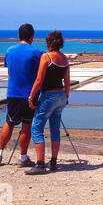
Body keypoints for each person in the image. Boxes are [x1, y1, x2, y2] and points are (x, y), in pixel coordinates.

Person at [0, 24, 43, 167]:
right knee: (26, 125)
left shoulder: (9, 51)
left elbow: (10, 73)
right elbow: (40, 75)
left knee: (9, 123)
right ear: (32, 36)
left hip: (12, 93)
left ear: (19, 35)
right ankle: (23, 157)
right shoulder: (37, 53)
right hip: (30, 95)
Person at [25, 31, 70, 175]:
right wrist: (66, 97)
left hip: (48, 96)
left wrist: (31, 97)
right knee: (55, 129)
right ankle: (54, 162)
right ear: (60, 43)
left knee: (36, 128)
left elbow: (39, 80)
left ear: (48, 42)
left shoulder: (46, 57)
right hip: (61, 96)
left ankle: (40, 164)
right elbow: (67, 82)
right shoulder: (65, 59)